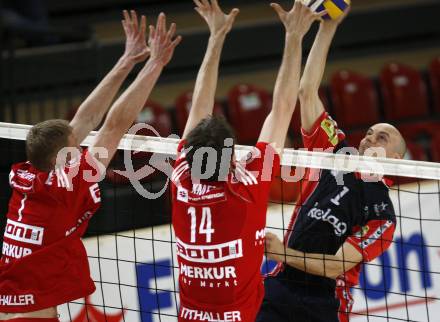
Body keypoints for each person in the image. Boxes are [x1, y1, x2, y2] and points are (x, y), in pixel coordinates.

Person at [0, 11, 181, 321]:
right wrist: (155, 64)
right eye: (76, 147)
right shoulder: (67, 187)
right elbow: (114, 126)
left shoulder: (28, 173)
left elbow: (84, 120)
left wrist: (127, 60)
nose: (82, 145)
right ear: (65, 158)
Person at [171, 1, 322, 321]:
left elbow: (198, 106)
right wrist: (294, 36)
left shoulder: (181, 179)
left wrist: (215, 38)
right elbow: (282, 108)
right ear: (230, 158)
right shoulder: (247, 184)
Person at [258, 6, 404, 322]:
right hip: (281, 286)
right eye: (369, 132)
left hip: (326, 305)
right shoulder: (336, 152)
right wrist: (328, 27)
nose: (369, 138)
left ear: (395, 160)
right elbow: (306, 92)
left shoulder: (382, 215)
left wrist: (279, 252)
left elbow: (337, 265)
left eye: (382, 138)